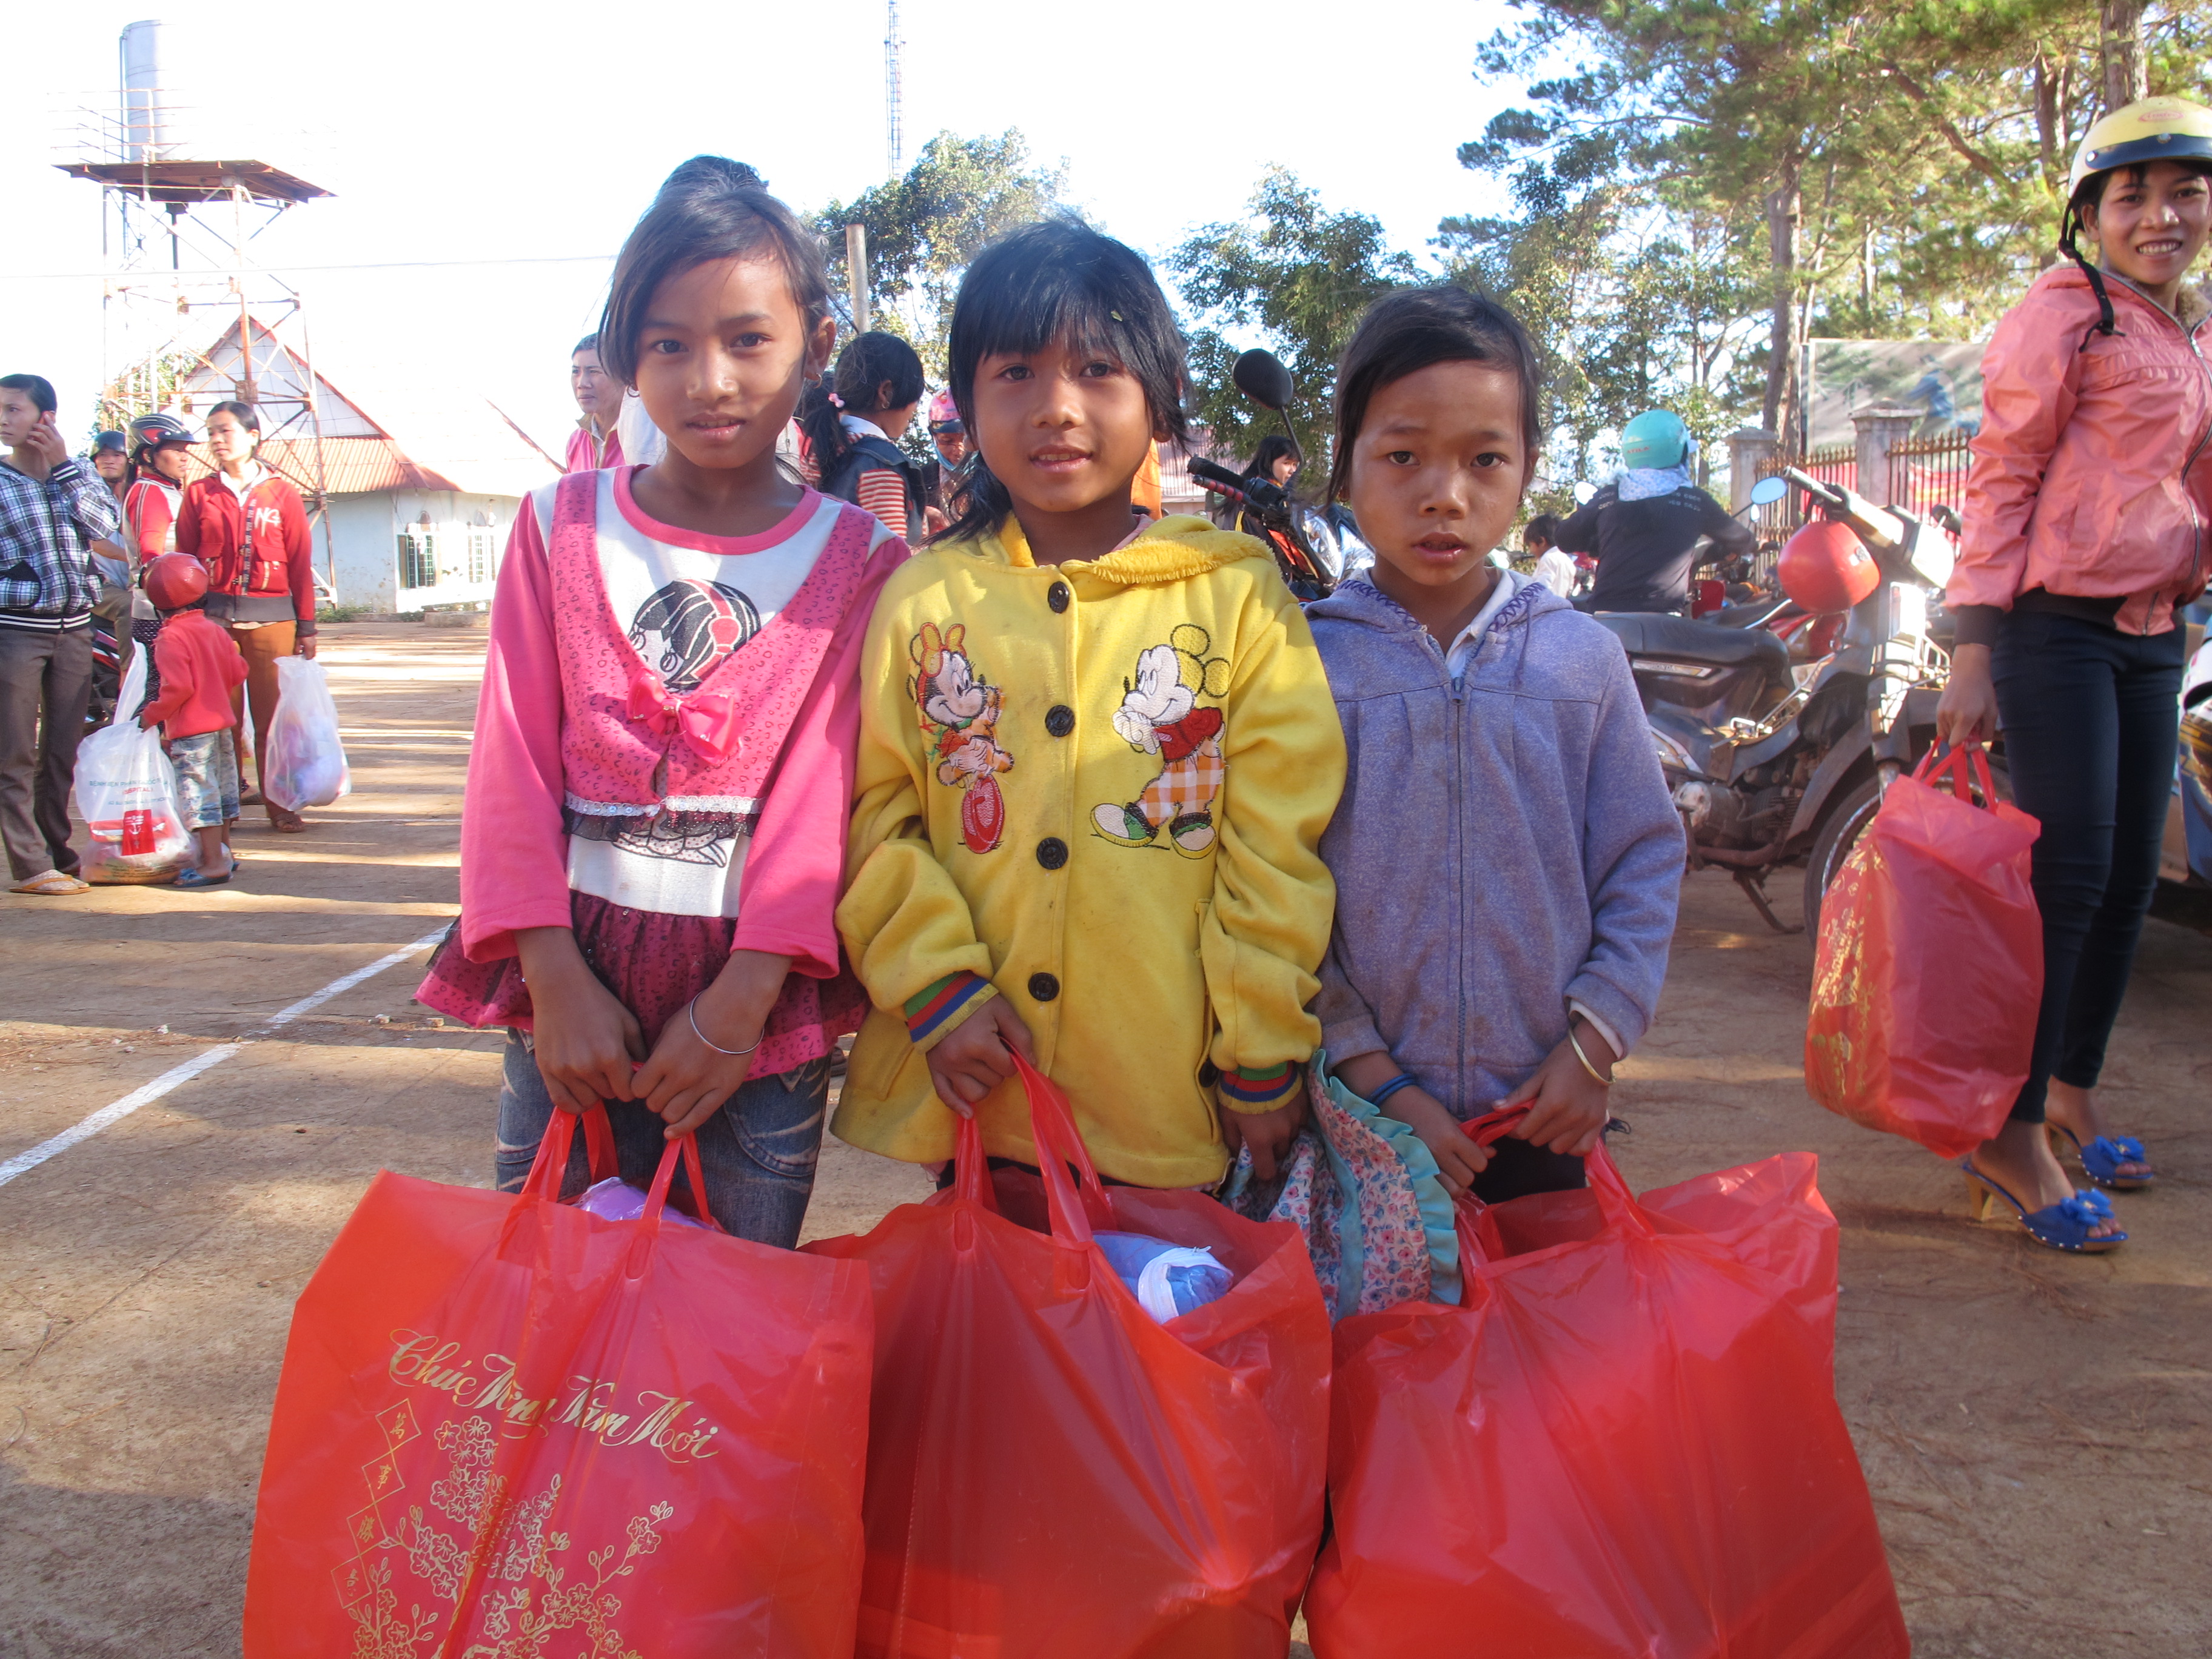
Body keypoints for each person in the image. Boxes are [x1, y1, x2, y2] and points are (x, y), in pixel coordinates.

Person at [412, 155, 908, 1246]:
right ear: (627, 355)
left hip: (752, 1010)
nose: (709, 380)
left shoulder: (860, 560)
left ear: (816, 345)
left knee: (734, 1298)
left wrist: (740, 1004)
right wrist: (552, 979)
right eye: (668, 345)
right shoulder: (557, 527)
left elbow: (826, 795)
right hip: (571, 981)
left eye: (748, 340)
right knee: (554, 1282)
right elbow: (510, 767)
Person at [833, 220, 1346, 1191]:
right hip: (981, 1097)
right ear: (967, 402)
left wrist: (1260, 1041)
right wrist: (938, 985)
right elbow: (875, 813)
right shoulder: (925, 601)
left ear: (1161, 398)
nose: (1056, 408)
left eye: (1098, 370)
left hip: (1166, 1096)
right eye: (1016, 373)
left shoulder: (1237, 597)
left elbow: (1277, 840)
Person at [1305, 288, 1684, 1201]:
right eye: (1403, 455)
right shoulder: (1303, 664)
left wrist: (1593, 1047)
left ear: (1527, 471)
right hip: (1360, 1116)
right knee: (1377, 1302)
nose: (1445, 494)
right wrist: (1371, 1073)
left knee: (1546, 1289)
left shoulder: (1582, 660)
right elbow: (1276, 884)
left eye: (1485, 459)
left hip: (1543, 1106)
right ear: (1346, 464)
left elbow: (1642, 857)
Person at [1935, 95, 2212, 1252]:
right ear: (2088, 214)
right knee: (2070, 877)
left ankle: (2069, 1089)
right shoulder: (2064, 314)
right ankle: (2004, 1133)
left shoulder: (2187, 329)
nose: (2159, 215)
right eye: (2129, 194)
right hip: (2052, 628)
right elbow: (2001, 475)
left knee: (2132, 882)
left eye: (2184, 191)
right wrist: (1971, 645)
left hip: (2153, 632)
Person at [0, 373, 119, 896]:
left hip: (75, 630)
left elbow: (103, 527)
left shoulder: (80, 474)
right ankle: (29, 866)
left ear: (45, 418)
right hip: (15, 632)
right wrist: (20, 584)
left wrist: (64, 467)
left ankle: (57, 852)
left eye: (13, 409)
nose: (3, 420)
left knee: (61, 750)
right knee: (14, 751)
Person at [173, 401, 318, 831]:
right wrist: (184, 621)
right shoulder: (199, 494)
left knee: (274, 719)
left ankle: (281, 804)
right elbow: (185, 562)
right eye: (211, 433)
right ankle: (226, 806)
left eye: (226, 431)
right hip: (214, 623)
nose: (216, 440)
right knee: (222, 720)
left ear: (253, 436)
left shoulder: (282, 494)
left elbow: (300, 563)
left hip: (274, 621)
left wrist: (307, 626)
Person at [1551, 410, 1752, 613]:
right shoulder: (1694, 501)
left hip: (1607, 616)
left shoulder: (1609, 497)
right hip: (1662, 618)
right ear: (1680, 452)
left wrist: (1598, 542)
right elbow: (1742, 540)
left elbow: (1564, 539)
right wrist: (1747, 546)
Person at [136, 554, 247, 888]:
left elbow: (178, 688)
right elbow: (239, 672)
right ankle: (224, 853)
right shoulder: (214, 630)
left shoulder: (170, 637)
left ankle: (212, 864)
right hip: (221, 724)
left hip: (191, 731)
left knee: (199, 794)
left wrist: (151, 716)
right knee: (223, 789)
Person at [796, 330, 926, 540]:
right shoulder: (881, 466)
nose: (913, 412)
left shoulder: (822, 448)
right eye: (916, 401)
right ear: (886, 393)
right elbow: (891, 553)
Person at [565, 333, 625, 474]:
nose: (582, 383)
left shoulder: (648, 436)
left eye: (593, 372)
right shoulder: (576, 441)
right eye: (576, 372)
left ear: (625, 377)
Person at [921, 389, 971, 534]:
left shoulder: (998, 477)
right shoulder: (920, 480)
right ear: (934, 438)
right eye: (947, 441)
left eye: (965, 439)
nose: (958, 450)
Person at [1522, 511, 1578, 598]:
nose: (1530, 550)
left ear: (1542, 542)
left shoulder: (1548, 559)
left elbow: (1541, 590)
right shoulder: (1568, 561)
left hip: (1545, 605)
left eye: (1530, 545)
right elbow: (1569, 591)